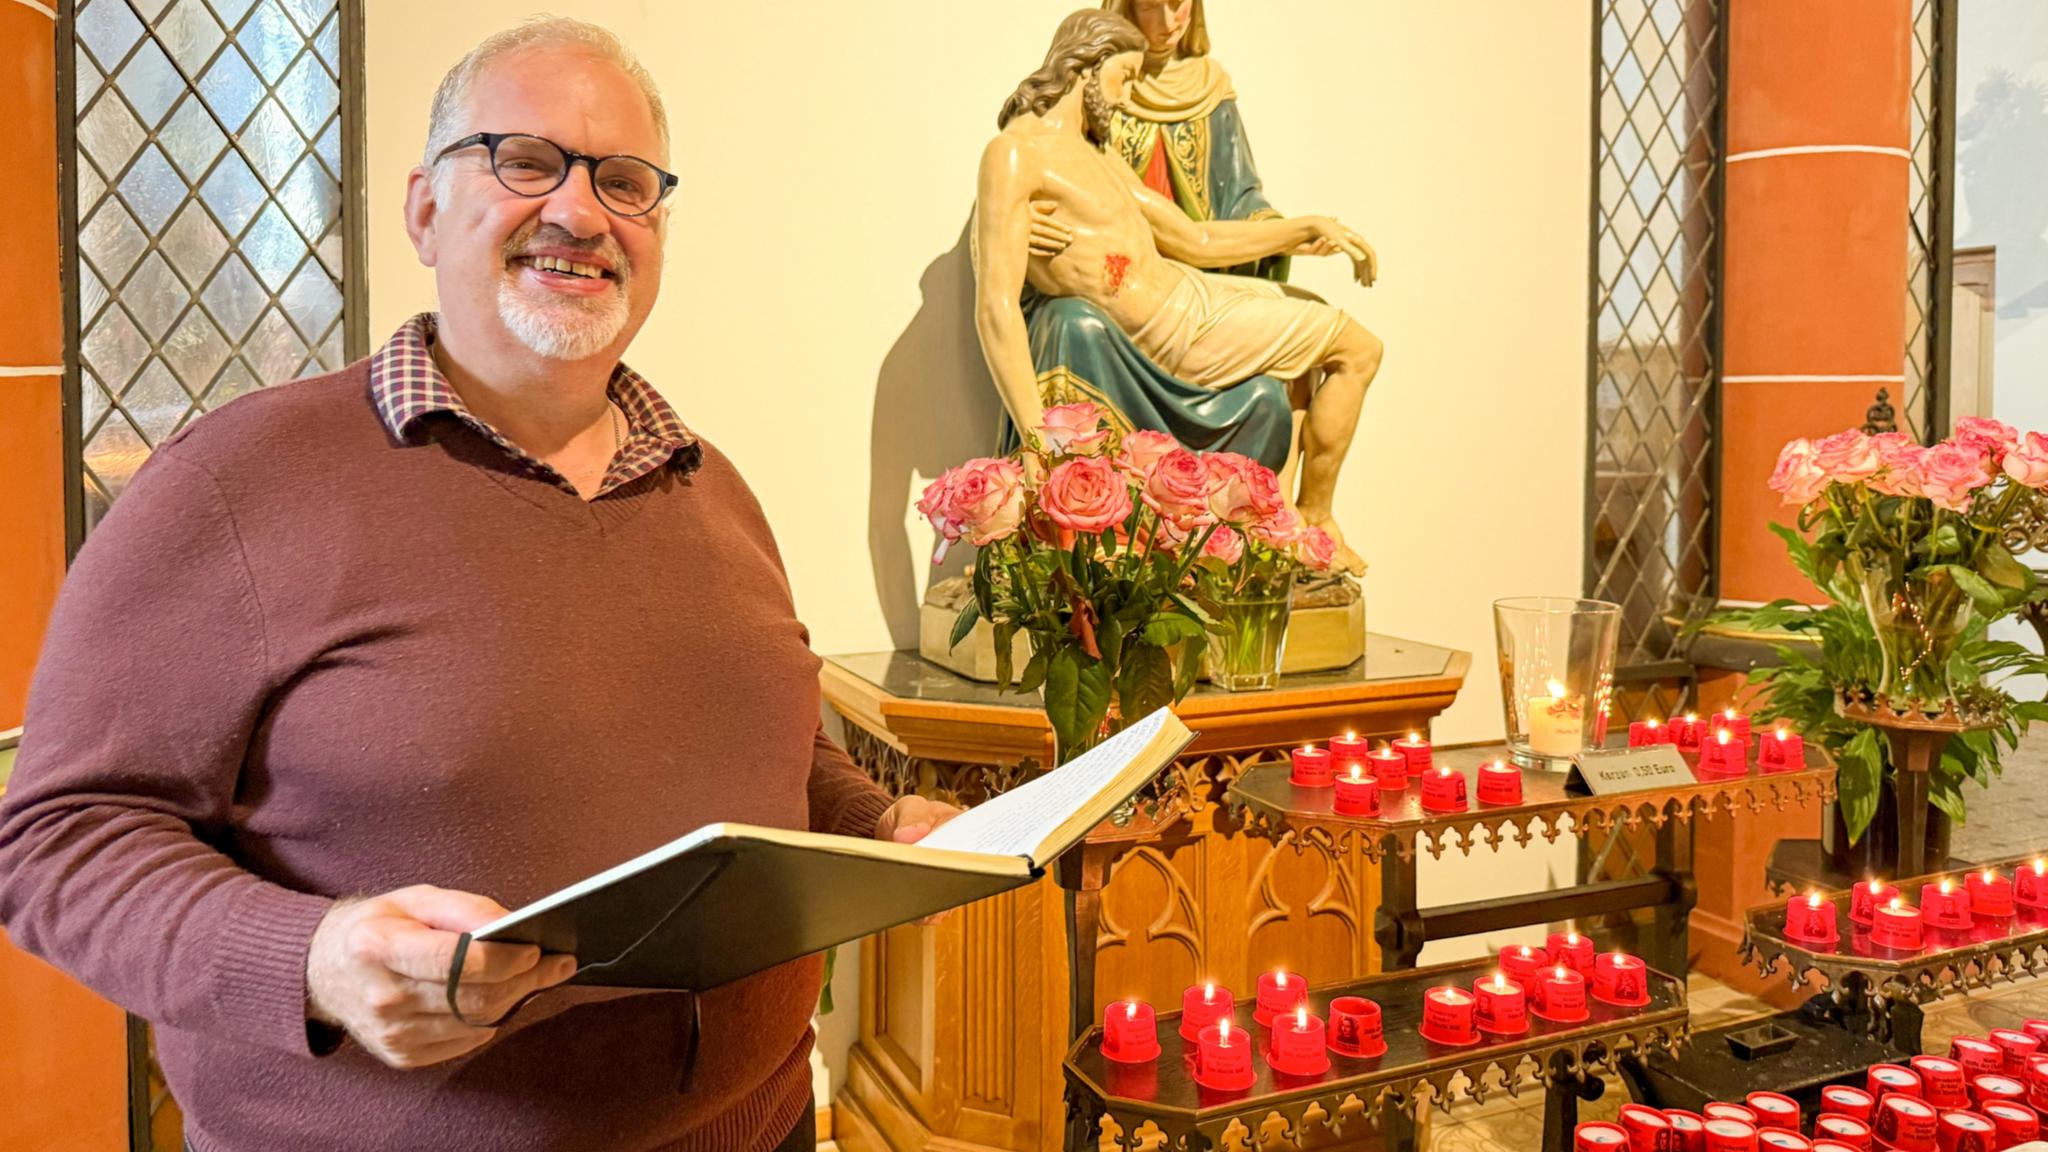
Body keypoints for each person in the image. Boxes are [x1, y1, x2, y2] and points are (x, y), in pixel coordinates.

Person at [0, 18, 955, 1152]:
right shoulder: (234, 484)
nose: (580, 212)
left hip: (757, 1126)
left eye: (625, 181)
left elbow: (767, 739)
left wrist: (876, 822)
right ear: (422, 209)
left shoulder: (711, 484)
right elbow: (62, 837)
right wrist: (313, 958)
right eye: (525, 160)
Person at [975, 10, 1383, 573]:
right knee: (1359, 348)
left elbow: (1195, 238)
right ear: (1090, 67)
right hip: (1173, 331)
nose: (1128, 95)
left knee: (1357, 347)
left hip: (1194, 301)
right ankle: (1314, 519)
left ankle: (1307, 517)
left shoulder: (1098, 155)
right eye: (1125, 76)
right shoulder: (1014, 154)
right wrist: (1037, 438)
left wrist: (1303, 228)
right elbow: (995, 305)